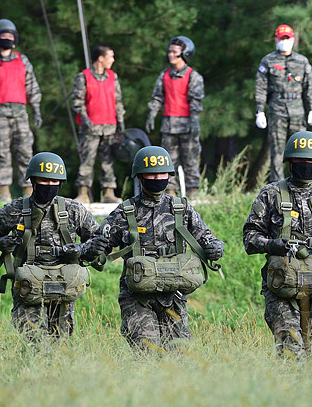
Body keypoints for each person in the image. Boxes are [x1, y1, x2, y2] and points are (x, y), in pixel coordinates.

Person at [90, 146, 224, 352]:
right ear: (141, 176)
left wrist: (214, 248)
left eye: (162, 173)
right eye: (152, 174)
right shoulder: (126, 212)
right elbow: (100, 247)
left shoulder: (181, 208)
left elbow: (207, 238)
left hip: (174, 294)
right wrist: (96, 248)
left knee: (177, 354)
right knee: (147, 353)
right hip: (137, 297)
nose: (157, 177)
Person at [0, 152, 105, 341]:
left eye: (54, 181)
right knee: (33, 344)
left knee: (61, 345)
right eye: (44, 181)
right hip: (29, 288)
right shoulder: (15, 210)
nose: (49, 186)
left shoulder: (74, 210)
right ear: (33, 181)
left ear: (61, 183)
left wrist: (82, 251)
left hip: (63, 286)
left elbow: (98, 241)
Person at [243, 131, 312, 358]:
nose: (306, 165)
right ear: (290, 162)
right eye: (300, 160)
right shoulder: (271, 194)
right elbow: (250, 238)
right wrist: (273, 244)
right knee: (290, 346)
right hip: (282, 285)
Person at [0, 19, 42, 202]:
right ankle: (4, 193)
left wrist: (36, 109)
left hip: (20, 113)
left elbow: (32, 86)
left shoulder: (22, 60)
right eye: (3, 36)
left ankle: (29, 192)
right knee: (2, 152)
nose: (7, 38)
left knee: (25, 151)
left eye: (10, 35)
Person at [254, 24, 312, 182]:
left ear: (293, 40)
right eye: (281, 38)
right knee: (277, 151)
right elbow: (260, 87)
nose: (284, 41)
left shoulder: (302, 61)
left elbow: (309, 87)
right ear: (276, 39)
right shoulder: (268, 61)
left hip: (297, 111)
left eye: (287, 38)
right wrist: (260, 111)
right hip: (277, 110)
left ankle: (302, 182)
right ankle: (277, 185)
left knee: (301, 150)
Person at [145, 36, 203, 197]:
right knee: (169, 161)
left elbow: (196, 102)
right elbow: (158, 97)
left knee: (190, 159)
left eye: (174, 52)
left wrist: (194, 122)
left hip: (187, 125)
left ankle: (193, 192)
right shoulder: (164, 76)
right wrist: (152, 114)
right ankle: (170, 192)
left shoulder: (193, 76)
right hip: (169, 125)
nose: (170, 55)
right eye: (169, 51)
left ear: (185, 54)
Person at [71, 45, 126, 204]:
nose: (113, 60)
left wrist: (121, 120)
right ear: (100, 58)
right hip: (90, 127)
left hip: (110, 126)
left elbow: (118, 101)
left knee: (108, 161)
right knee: (87, 160)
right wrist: (84, 117)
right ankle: (83, 192)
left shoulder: (112, 77)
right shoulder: (84, 77)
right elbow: (77, 101)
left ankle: (109, 192)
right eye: (110, 56)